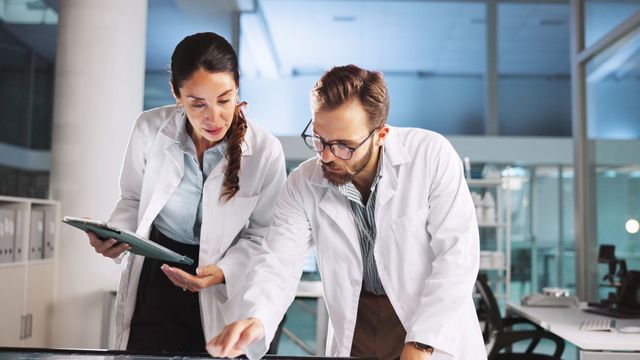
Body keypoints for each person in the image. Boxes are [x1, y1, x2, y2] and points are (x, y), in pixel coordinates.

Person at [207, 64, 486, 360]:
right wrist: (257, 316)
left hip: (428, 318)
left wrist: (422, 343)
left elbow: (456, 257)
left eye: (344, 146)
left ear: (381, 135)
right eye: (319, 139)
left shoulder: (431, 156)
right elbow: (278, 261)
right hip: (359, 322)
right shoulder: (303, 183)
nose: (326, 156)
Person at [85, 32, 286, 353]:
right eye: (197, 103)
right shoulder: (149, 128)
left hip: (223, 278)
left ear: (237, 89)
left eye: (224, 100)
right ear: (176, 94)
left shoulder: (265, 151)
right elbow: (132, 200)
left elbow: (264, 235)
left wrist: (223, 272)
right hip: (159, 271)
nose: (214, 117)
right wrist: (116, 238)